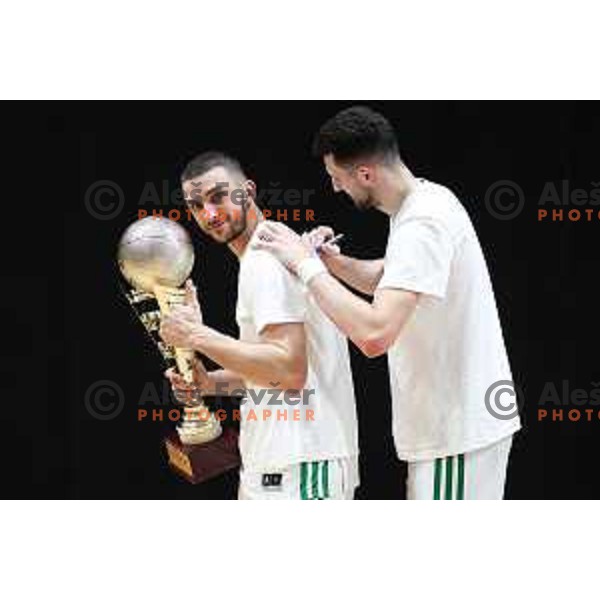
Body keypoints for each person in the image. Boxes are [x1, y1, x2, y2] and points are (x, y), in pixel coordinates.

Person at [254, 106, 521, 500]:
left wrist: (307, 266)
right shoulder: (426, 201)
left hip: (458, 431)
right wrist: (332, 262)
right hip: (456, 429)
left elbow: (375, 334)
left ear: (365, 174)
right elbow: (393, 277)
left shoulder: (422, 223)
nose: (335, 189)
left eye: (337, 178)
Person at [159, 151, 359, 500]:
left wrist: (196, 335)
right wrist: (210, 383)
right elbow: (276, 369)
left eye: (218, 196)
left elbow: (289, 370)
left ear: (248, 190)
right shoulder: (272, 248)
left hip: (299, 463)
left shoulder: (264, 259)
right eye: (195, 206)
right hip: (283, 462)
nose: (209, 214)